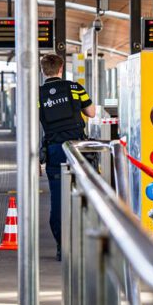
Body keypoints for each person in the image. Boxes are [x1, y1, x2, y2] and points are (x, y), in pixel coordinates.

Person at [38, 54, 96, 261]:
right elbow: (91, 113)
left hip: (54, 151)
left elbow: (33, 123)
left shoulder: (38, 95)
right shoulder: (75, 88)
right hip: (78, 149)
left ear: (43, 70)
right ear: (61, 68)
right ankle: (86, 242)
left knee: (58, 199)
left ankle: (63, 246)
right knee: (85, 195)